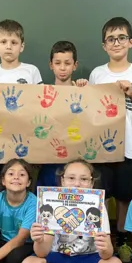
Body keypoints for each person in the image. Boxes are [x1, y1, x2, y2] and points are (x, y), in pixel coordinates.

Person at [88, 16, 132, 261]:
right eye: (111, 39)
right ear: (104, 45)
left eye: (121, 38)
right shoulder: (97, 74)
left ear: (131, 42)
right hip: (100, 149)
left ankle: (123, 239)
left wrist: (131, 92)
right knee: (101, 195)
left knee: (126, 196)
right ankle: (103, 237)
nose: (116, 43)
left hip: (128, 147)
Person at [18, 159, 123, 263]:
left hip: (90, 258)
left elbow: (107, 255)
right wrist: (39, 240)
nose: (77, 184)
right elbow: (41, 253)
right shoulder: (50, 204)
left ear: (92, 183)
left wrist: (106, 247)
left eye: (84, 179)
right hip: (59, 259)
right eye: (71, 178)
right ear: (62, 181)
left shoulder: (97, 207)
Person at [0, 19, 43, 193]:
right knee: (3, 183)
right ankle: (3, 220)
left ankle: (28, 219)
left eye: (14, 42)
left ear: (22, 46)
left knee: (27, 182)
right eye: (3, 42)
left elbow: (41, 103)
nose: (8, 47)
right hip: (1, 139)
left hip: (27, 137)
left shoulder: (31, 71)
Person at [37, 40, 88, 188]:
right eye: (58, 63)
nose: (63, 68)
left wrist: (86, 89)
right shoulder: (42, 96)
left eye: (67, 63)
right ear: (51, 65)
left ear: (75, 65)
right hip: (49, 162)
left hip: (77, 161)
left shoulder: (84, 92)